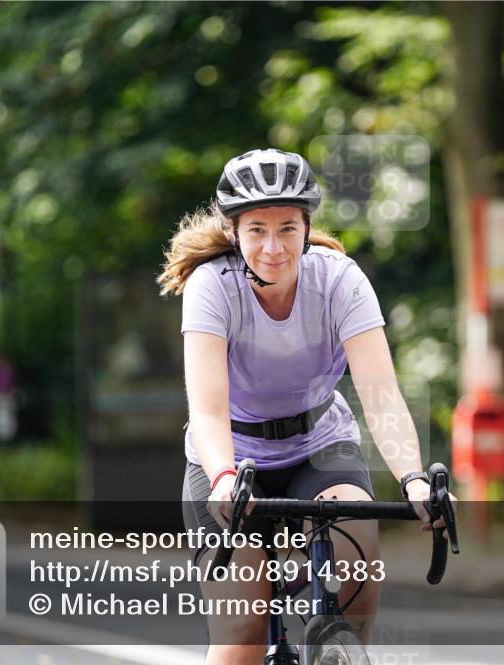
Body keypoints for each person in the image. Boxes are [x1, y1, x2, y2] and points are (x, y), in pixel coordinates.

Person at [157, 148, 451, 665]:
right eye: (257, 230)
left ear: (307, 225)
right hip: (231, 454)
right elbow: (206, 408)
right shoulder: (211, 286)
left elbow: (380, 394)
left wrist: (413, 480)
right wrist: (224, 477)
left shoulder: (339, 279)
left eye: (288, 228)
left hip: (319, 443)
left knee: (357, 548)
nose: (273, 247)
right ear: (233, 233)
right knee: (242, 630)